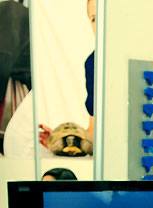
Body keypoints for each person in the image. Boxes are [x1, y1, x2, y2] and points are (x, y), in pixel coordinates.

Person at [38, 0, 96, 150]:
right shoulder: (92, 64)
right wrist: (58, 140)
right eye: (94, 19)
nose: (99, 26)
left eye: (104, 17)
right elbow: (94, 134)